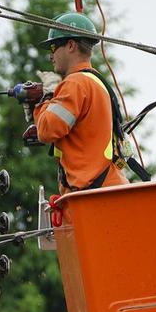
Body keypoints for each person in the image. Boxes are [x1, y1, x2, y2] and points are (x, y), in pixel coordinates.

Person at [31, 12, 131, 194]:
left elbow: (46, 130)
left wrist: (47, 96)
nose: (51, 56)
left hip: (93, 196)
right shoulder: (97, 82)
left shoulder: (75, 84)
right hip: (108, 189)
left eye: (53, 47)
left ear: (70, 45)